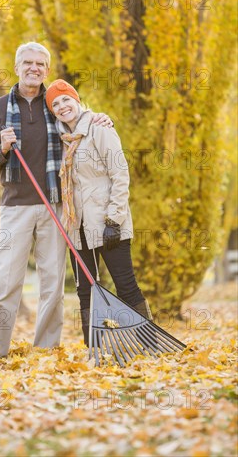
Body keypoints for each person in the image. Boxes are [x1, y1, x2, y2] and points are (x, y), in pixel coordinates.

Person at [0, 43, 112, 357]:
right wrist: (3, 149)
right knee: (5, 281)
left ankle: (47, 349)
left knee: (52, 281)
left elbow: (84, 122)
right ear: (17, 66)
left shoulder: (55, 103)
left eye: (40, 64)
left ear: (47, 70)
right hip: (15, 207)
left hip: (55, 204)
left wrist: (104, 120)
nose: (34, 68)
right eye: (28, 62)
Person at [45, 79, 152, 346]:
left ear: (76, 99)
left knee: (126, 286)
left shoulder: (99, 129)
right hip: (76, 227)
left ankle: (148, 343)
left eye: (65, 99)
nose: (61, 106)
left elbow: (120, 174)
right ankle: (95, 346)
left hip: (107, 223)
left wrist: (114, 220)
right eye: (55, 104)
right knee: (86, 291)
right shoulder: (61, 140)